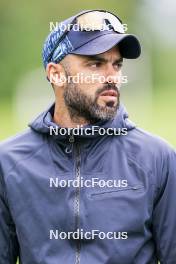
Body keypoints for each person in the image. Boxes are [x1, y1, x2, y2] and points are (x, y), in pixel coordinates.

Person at [0, 9, 176, 264]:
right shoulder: (8, 163)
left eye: (116, 65)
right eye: (95, 64)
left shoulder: (159, 159)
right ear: (56, 74)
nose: (112, 77)